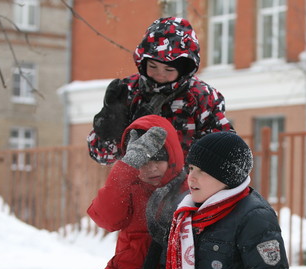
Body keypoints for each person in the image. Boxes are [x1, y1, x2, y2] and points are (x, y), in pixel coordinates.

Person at [153, 131, 295, 269]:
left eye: (202, 171)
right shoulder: (184, 216)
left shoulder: (254, 217)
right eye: (192, 168)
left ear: (227, 177)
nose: (191, 177)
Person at [67, 115, 187, 269]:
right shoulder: (129, 187)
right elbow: (106, 219)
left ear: (173, 156)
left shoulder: (188, 190)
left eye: (159, 158)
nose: (152, 167)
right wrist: (125, 169)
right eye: (144, 161)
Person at [88, 16, 233, 166]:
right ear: (142, 63)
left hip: (187, 185)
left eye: (169, 69)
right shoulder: (129, 91)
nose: (160, 74)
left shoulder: (202, 97)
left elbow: (222, 155)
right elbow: (101, 156)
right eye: (152, 66)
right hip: (134, 183)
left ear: (185, 69)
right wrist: (109, 130)